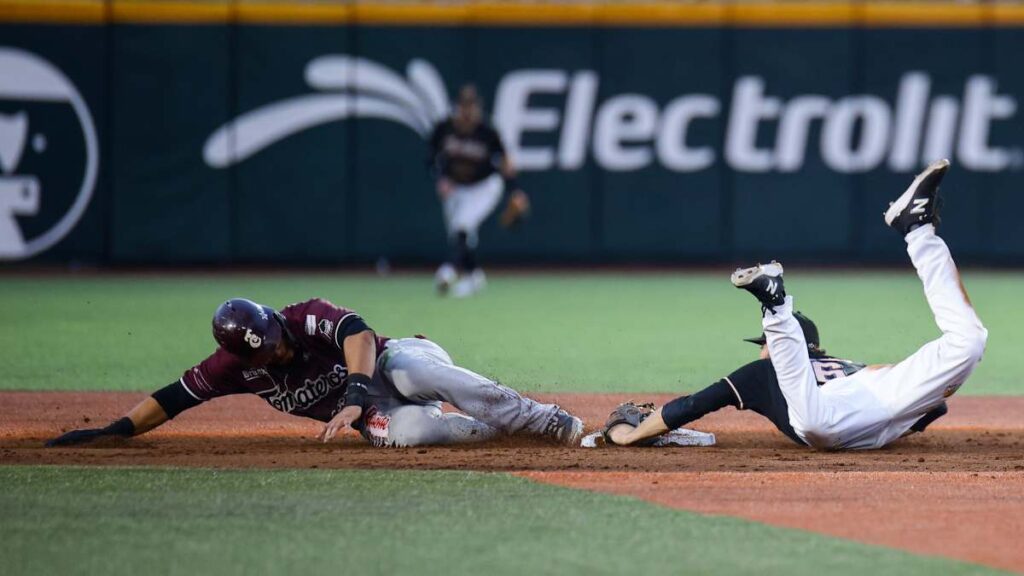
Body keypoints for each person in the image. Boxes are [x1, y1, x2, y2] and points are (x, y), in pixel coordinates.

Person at [605, 159, 986, 450]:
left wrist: (630, 434)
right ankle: (917, 230)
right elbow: (935, 410)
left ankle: (775, 306)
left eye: (764, 344)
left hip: (831, 419)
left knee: (813, 415)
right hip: (883, 397)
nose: (762, 352)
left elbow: (690, 406)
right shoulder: (845, 364)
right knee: (969, 341)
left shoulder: (763, 374)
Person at [46, 298, 583, 448]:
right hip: (374, 413)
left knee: (420, 374)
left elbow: (358, 335)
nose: (280, 352)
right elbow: (174, 397)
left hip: (389, 364)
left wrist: (353, 392)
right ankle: (497, 431)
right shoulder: (231, 367)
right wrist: (117, 429)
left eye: (278, 341)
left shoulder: (302, 317)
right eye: (268, 354)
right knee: (416, 431)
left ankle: (543, 419)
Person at [428, 84, 529, 298]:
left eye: (471, 107)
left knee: (462, 226)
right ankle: (474, 277)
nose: (467, 111)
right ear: (457, 107)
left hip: (484, 187)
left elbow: (505, 163)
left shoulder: (487, 132)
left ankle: (448, 271)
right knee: (462, 235)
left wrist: (516, 190)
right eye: (463, 106)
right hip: (456, 188)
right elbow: (431, 159)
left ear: (477, 109)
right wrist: (441, 178)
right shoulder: (444, 128)